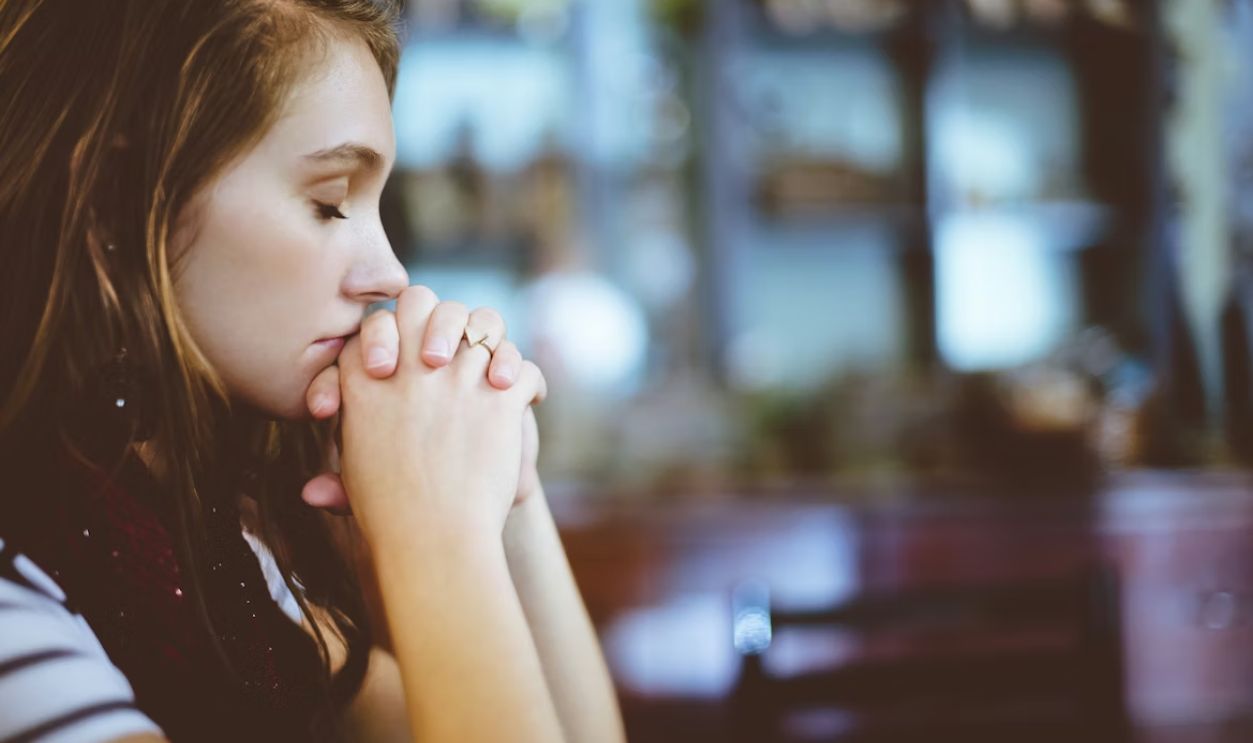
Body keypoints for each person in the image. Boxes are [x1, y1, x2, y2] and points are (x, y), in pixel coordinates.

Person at [0, 1, 625, 741]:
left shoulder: (203, 553)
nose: (390, 273)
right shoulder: (22, 589)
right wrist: (436, 533)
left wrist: (501, 485)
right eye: (330, 203)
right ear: (113, 201)